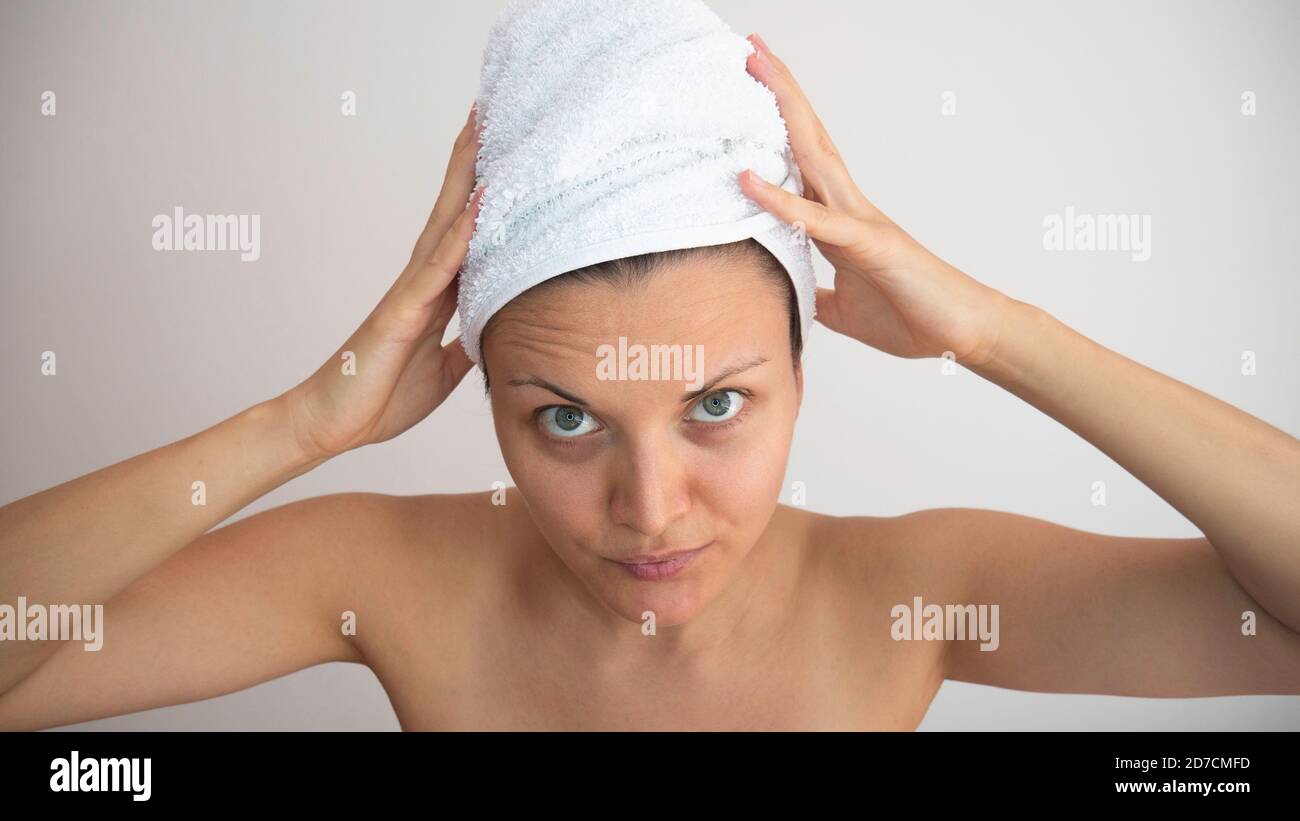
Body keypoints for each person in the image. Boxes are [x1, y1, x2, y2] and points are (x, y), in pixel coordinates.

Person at [1, 34, 1297, 731]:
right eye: (565, 418)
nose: (652, 508)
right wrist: (298, 425)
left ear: (804, 370)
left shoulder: (914, 598)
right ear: (482, 393)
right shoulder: (379, 574)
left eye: (716, 405)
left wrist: (997, 331)